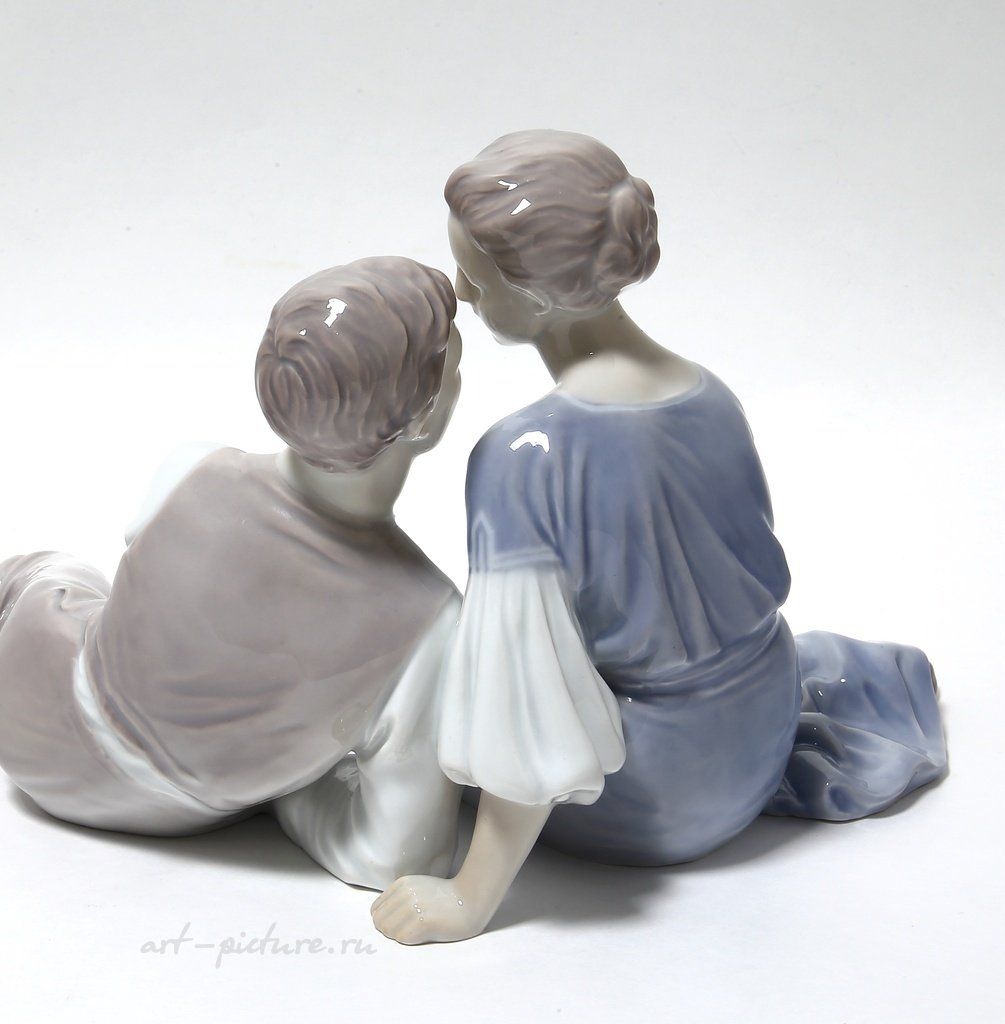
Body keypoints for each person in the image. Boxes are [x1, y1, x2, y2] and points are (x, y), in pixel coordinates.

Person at [0, 256, 470, 892]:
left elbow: (150, 620)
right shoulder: (426, 618)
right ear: (424, 415)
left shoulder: (194, 470)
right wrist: (288, 788)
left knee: (43, 576)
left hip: (33, 729)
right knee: (79, 606)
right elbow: (393, 857)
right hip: (167, 812)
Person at [369, 130, 947, 944]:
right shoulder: (709, 394)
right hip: (762, 721)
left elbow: (525, 702)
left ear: (539, 294)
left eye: (475, 273)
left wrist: (470, 895)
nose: (461, 292)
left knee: (426, 675)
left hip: (656, 792)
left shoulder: (519, 457)